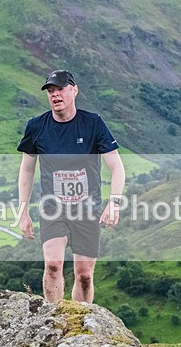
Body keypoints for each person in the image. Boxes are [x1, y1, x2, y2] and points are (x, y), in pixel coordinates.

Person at [17, 69, 125, 304]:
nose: (55, 95)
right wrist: (23, 210)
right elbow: (27, 169)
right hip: (52, 208)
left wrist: (114, 203)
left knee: (84, 275)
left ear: (74, 90)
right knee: (53, 265)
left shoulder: (93, 123)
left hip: (87, 209)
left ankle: (82, 326)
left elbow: (117, 167)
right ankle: (53, 321)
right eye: (50, 91)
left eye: (60, 89)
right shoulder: (36, 127)